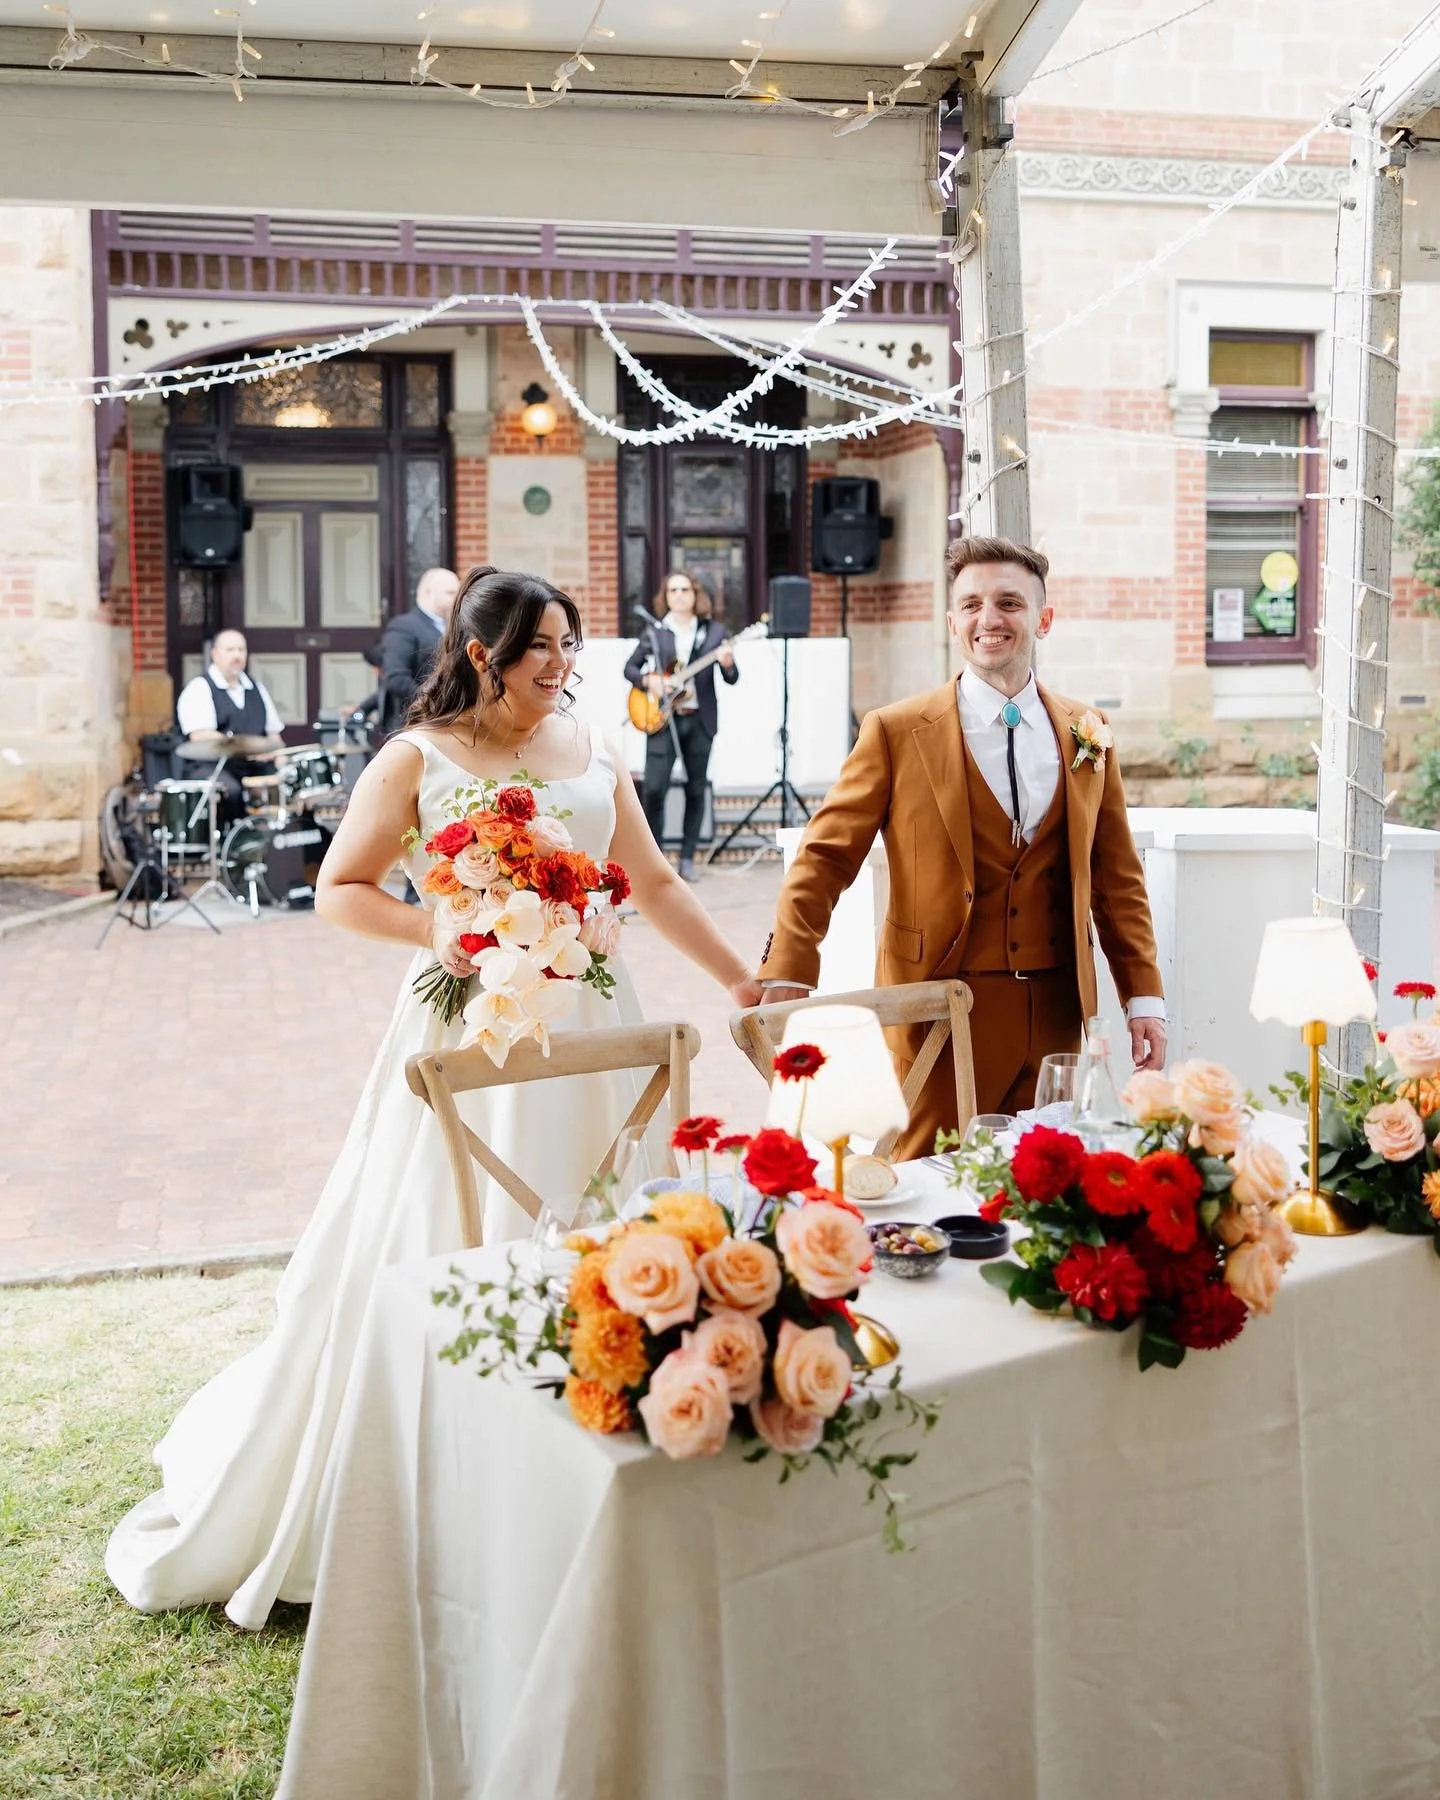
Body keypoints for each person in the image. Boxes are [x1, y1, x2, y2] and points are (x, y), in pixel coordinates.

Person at [106, 565, 764, 1631]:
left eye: (568, 646)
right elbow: (340, 889)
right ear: (480, 653)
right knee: (456, 1230)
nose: (560, 665)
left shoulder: (593, 746)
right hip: (469, 1026)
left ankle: (603, 1471)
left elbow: (654, 881)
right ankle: (464, 1484)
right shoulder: (417, 758)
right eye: (540, 646)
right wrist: (442, 928)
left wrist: (740, 979)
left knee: (602, 1227)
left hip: (596, 1029)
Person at [757, 535, 1166, 1161]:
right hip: (935, 1005)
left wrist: (1144, 997)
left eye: (1009, 602)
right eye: (971, 604)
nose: (988, 618)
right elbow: (826, 856)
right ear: (953, 623)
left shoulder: (1088, 731)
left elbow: (1117, 877)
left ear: (1044, 620)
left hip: (1057, 1010)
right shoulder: (896, 731)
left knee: (1042, 1179)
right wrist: (789, 968)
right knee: (928, 1177)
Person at [623, 570, 739, 882]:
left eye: (685, 589)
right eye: (672, 590)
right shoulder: (657, 631)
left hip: (700, 720)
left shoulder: (713, 631)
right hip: (663, 720)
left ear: (695, 594)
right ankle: (656, 859)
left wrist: (728, 663)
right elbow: (630, 668)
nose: (679, 595)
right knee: (655, 789)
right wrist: (649, 681)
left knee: (696, 789)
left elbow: (731, 677)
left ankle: (687, 859)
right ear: (666, 596)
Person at [173, 628, 285, 821]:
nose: (237, 655)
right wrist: (245, 748)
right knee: (231, 791)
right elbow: (199, 736)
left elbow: (273, 734)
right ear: (214, 654)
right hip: (213, 767)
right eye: (230, 650)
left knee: (282, 785)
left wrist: (280, 757)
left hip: (253, 766)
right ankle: (233, 837)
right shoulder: (199, 688)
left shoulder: (256, 688)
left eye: (241, 650)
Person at [374, 565, 460, 744]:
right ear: (428, 593)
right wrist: (432, 703)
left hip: (450, 724)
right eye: (450, 593)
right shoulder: (404, 626)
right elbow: (396, 678)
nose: (457, 598)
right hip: (417, 725)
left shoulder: (455, 626)